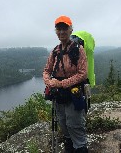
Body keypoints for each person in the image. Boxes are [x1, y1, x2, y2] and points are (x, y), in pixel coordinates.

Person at [43, 15, 88, 153]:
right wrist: (49, 82)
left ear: (71, 30)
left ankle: (80, 148)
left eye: (65, 28)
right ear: (56, 31)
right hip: (58, 96)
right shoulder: (55, 51)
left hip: (73, 93)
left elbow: (82, 74)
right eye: (59, 29)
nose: (61, 32)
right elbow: (46, 70)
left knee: (74, 125)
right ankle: (70, 148)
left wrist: (61, 83)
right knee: (63, 124)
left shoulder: (78, 49)